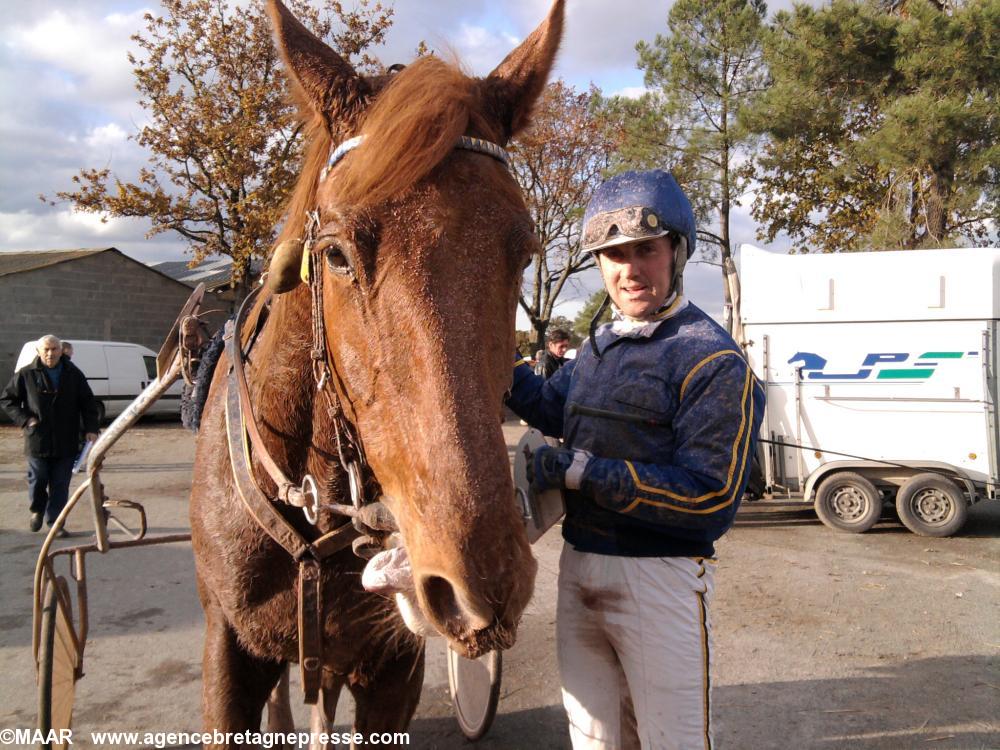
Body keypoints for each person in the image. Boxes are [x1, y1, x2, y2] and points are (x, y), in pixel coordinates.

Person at [507, 170, 765, 750]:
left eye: (645, 250)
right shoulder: (599, 347)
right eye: (614, 254)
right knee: (593, 742)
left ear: (676, 251)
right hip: (578, 571)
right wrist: (498, 355)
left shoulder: (712, 362)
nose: (629, 269)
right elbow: (550, 407)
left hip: (662, 579)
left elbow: (712, 499)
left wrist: (581, 473)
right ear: (599, 265)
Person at [1, 335, 99, 535]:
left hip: (67, 439)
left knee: (60, 484)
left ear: (61, 350)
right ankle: (37, 510)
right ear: (38, 351)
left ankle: (56, 522)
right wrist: (26, 419)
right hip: (38, 438)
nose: (50, 353)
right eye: (46, 349)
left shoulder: (73, 374)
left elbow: (88, 403)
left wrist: (91, 428)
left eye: (54, 349)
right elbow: (7, 400)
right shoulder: (26, 374)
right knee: (38, 478)